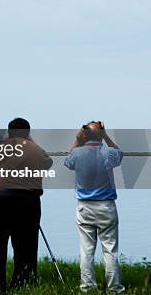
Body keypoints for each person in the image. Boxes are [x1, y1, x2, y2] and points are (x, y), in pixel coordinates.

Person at [0, 117, 53, 291]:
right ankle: (23, 285)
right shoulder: (37, 150)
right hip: (27, 202)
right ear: (28, 133)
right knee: (26, 248)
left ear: (9, 132)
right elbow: (48, 163)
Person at [65, 121, 125, 293]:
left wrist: (78, 141)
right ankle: (115, 288)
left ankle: (87, 287)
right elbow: (120, 154)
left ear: (84, 135)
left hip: (84, 207)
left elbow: (68, 163)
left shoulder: (77, 152)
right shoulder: (108, 152)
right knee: (110, 249)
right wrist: (105, 135)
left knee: (86, 250)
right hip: (106, 206)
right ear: (101, 135)